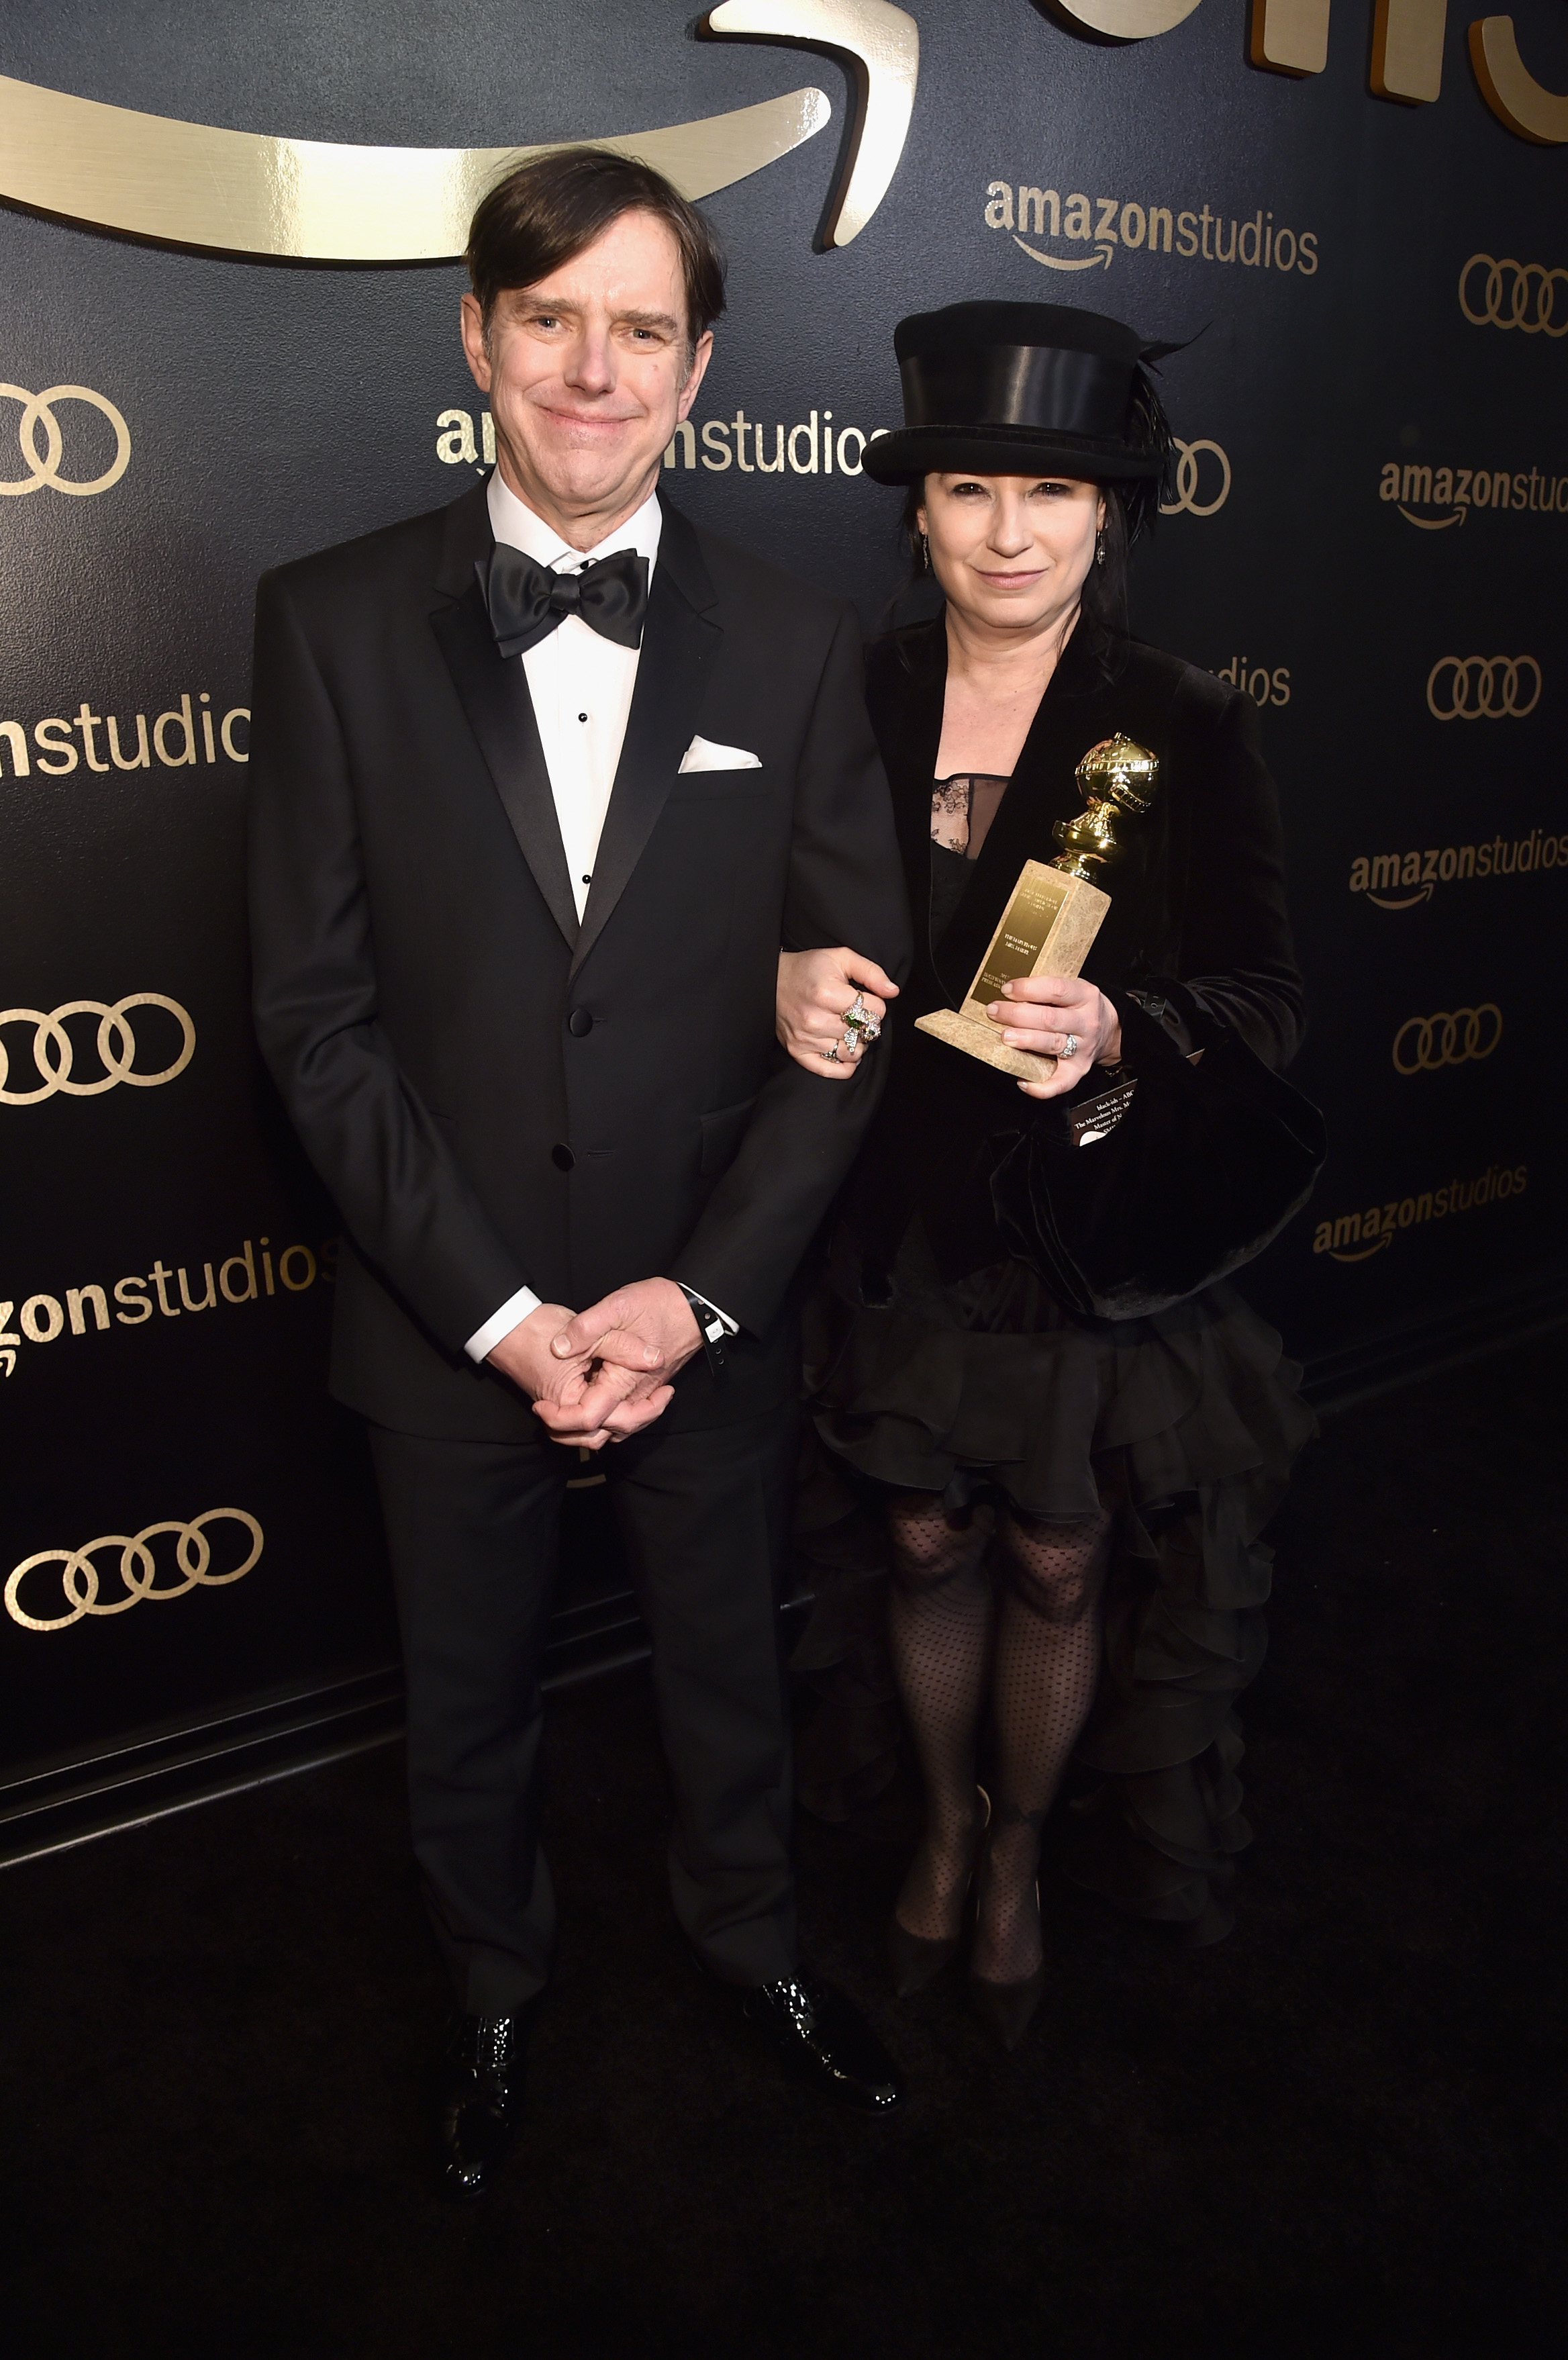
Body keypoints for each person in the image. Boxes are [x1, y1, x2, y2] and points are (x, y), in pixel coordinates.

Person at [247, 148, 912, 2196]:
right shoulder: (327, 620)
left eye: (641, 329)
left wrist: (695, 1299)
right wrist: (503, 1314)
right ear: (478, 337)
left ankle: (756, 1946)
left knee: (730, 1676)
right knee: (466, 1702)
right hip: (446, 1305)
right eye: (550, 320)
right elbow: (315, 1022)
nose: (592, 370)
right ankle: (492, 1989)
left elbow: (849, 1022)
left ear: (699, 369)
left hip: (704, 1296)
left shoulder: (800, 641)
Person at [775, 301, 1316, 2048]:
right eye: (971, 489)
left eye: (1055, 491)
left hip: (1072, 1234)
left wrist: (1124, 1029)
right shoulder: (840, 694)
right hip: (883, 1221)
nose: (1010, 533)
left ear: (1110, 513)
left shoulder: (1182, 720)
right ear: (918, 509)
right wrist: (780, 975)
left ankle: (1015, 1856)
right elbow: (746, 931)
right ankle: (945, 1823)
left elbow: (1269, 999)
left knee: (1059, 1559)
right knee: (920, 1535)